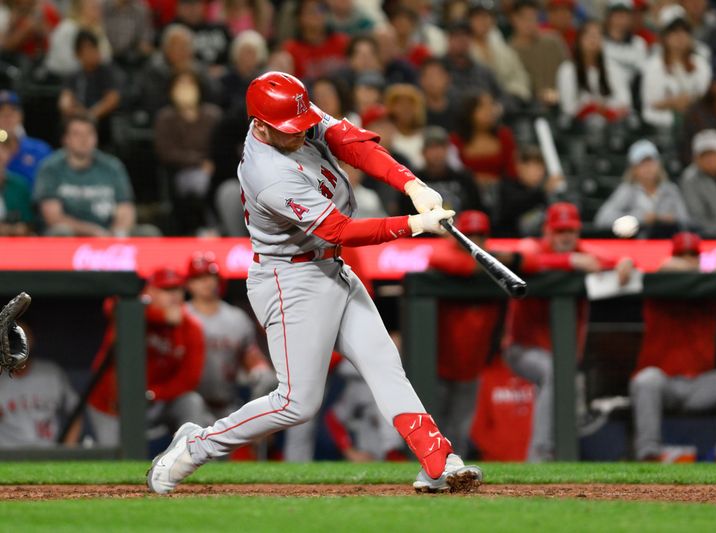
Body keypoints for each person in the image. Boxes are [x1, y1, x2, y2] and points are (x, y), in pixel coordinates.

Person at [146, 71, 481, 495]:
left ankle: (438, 461)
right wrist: (413, 223)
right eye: (290, 131)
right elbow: (339, 229)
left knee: (384, 363)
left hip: (329, 267)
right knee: (296, 403)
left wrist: (410, 183)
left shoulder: (291, 112)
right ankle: (196, 446)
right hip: (291, 277)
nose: (301, 134)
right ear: (261, 126)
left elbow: (349, 141)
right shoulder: (267, 172)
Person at [504, 202, 634, 461]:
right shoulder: (532, 247)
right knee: (556, 371)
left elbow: (615, 260)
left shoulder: (584, 252)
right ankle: (540, 455)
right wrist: (570, 260)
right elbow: (525, 259)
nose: (565, 237)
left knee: (570, 401)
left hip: (562, 354)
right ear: (547, 231)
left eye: (570, 231)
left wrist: (623, 262)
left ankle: (560, 459)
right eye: (559, 231)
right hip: (521, 347)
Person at [630, 232, 716, 462]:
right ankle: (649, 453)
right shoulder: (660, 287)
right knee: (646, 380)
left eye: (692, 256)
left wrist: (704, 275)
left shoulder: (709, 291)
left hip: (700, 383)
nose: (687, 260)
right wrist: (693, 271)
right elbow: (666, 266)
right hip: (664, 381)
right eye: (682, 255)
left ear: (700, 259)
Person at [88, 268, 207, 446]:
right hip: (112, 404)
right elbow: (110, 305)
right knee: (113, 459)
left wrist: (152, 394)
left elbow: (189, 380)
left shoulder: (191, 328)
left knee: (192, 401)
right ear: (149, 292)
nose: (174, 296)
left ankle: (190, 455)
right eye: (166, 290)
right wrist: (161, 316)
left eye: (177, 290)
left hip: (156, 402)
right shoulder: (133, 312)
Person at [427, 210, 508, 455]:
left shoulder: (495, 266)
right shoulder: (445, 258)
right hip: (436, 364)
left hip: (471, 364)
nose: (474, 240)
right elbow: (439, 258)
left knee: (460, 431)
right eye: (468, 234)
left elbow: (532, 262)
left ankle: (455, 480)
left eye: (479, 235)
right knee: (431, 428)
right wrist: (496, 261)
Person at [184, 253, 275, 421]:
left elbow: (251, 357)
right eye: (199, 278)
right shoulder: (182, 316)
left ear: (218, 281)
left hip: (227, 406)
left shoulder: (236, 318)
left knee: (268, 379)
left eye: (209, 277)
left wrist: (260, 371)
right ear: (189, 284)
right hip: (189, 407)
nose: (206, 283)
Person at [33, 114, 147, 237]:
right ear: (65, 139)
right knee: (61, 231)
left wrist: (117, 233)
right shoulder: (50, 168)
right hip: (73, 236)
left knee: (148, 233)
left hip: (109, 235)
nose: (84, 139)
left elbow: (125, 209)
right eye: (77, 134)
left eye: (89, 134)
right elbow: (53, 217)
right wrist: (93, 232)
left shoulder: (112, 167)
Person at [154, 71, 222, 235]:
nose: (185, 89)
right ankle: (207, 227)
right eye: (180, 85)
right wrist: (198, 162)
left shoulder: (213, 115)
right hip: (182, 171)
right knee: (200, 181)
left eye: (189, 84)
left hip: (216, 169)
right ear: (171, 90)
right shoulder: (165, 118)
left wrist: (214, 164)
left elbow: (222, 145)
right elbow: (165, 152)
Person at [595, 139, 690, 237]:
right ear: (634, 169)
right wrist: (638, 218)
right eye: (642, 164)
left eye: (651, 163)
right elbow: (603, 219)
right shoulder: (627, 190)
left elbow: (686, 221)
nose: (648, 168)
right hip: (637, 244)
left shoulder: (671, 190)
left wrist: (671, 220)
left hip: (666, 242)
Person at [641, 5, 711, 129]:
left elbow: (707, 97)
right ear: (664, 36)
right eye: (673, 31)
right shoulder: (653, 65)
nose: (680, 36)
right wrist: (673, 103)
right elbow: (649, 107)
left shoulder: (700, 63)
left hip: (698, 123)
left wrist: (688, 102)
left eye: (684, 30)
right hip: (663, 127)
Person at [451, 90, 517, 209]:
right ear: (469, 111)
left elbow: (512, 171)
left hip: (502, 196)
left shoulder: (504, 136)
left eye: (491, 106)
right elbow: (454, 171)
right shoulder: (456, 140)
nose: (489, 111)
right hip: (467, 196)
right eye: (483, 107)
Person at [556, 19, 630, 122]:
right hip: (579, 124)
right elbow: (568, 107)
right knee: (595, 121)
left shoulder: (612, 67)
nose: (593, 40)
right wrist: (592, 107)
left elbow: (624, 101)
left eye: (597, 35)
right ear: (579, 40)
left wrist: (604, 107)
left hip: (611, 121)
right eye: (589, 35)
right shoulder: (568, 69)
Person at [399, 126, 482, 216]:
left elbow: (476, 209)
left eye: (441, 147)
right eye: (432, 148)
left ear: (448, 150)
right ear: (423, 152)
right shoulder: (413, 182)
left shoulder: (464, 178)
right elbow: (405, 214)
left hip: (460, 228)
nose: (437, 153)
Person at [58, 30, 122, 146]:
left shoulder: (107, 72)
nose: (91, 53)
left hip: (101, 124)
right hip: (78, 120)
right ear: (77, 54)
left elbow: (112, 99)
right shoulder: (73, 76)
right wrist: (72, 110)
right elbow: (65, 101)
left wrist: (90, 115)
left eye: (93, 48)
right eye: (86, 49)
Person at [0, 357, 81, 448]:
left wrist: (67, 452)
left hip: (47, 454)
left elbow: (76, 411)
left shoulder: (51, 373)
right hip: (7, 455)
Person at [467, 0, 531, 103]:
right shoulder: (464, 50)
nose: (483, 21)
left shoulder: (504, 50)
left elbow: (520, 78)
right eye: (478, 17)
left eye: (487, 16)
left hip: (506, 105)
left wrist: (507, 100)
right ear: (469, 20)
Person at [509, 0, 567, 108]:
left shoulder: (553, 41)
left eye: (533, 18)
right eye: (524, 18)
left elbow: (568, 70)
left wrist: (559, 92)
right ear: (514, 19)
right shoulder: (509, 51)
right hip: (527, 108)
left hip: (562, 101)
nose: (529, 23)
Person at [494, 145, 560, 237]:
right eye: (533, 167)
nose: (538, 173)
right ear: (520, 167)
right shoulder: (507, 187)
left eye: (540, 168)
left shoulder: (543, 193)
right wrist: (542, 191)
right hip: (510, 243)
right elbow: (514, 206)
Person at [281, 0, 349, 80]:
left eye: (320, 10)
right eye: (311, 11)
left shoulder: (342, 42)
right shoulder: (291, 49)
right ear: (300, 17)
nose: (317, 15)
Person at [44, 0, 113, 78]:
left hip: (91, 79)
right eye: (94, 7)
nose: (99, 12)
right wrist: (89, 63)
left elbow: (106, 57)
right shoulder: (67, 28)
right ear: (80, 9)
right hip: (59, 81)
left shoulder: (97, 29)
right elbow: (63, 63)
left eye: (99, 8)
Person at [0, 90, 52, 190]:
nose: (7, 117)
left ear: (20, 116)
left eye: (12, 112)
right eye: (1, 113)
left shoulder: (39, 149)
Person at [173, 0, 232, 71]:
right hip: (192, 75)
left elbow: (234, 54)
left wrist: (225, 68)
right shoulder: (174, 33)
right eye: (187, 5)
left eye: (195, 5)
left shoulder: (220, 28)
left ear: (202, 6)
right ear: (179, 8)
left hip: (225, 74)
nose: (192, 10)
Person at [602, 0, 648, 89]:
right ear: (609, 16)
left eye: (624, 14)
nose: (620, 18)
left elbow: (642, 74)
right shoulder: (600, 42)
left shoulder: (639, 43)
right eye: (616, 14)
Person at [219, 30, 269, 110]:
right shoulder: (225, 79)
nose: (248, 57)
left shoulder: (262, 82)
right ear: (237, 53)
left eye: (252, 53)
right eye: (245, 52)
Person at [384, 83, 426, 171]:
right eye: (400, 104)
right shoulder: (386, 136)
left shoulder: (425, 136)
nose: (405, 108)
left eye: (410, 104)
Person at [0, 130, 34, 236]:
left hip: (14, 245)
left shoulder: (19, 184)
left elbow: (28, 222)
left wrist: (19, 228)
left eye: (3, 148)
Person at [102, 0, 155, 67]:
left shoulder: (141, 8)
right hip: (107, 54)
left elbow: (145, 39)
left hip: (132, 56)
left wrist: (144, 45)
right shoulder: (104, 6)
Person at [418, 58, 454, 131]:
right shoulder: (415, 113)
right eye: (429, 75)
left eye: (437, 75)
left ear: (449, 79)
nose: (433, 80)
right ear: (421, 80)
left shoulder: (458, 113)